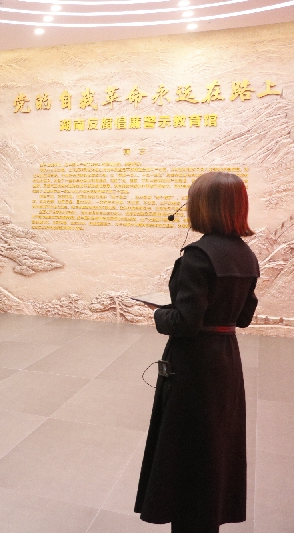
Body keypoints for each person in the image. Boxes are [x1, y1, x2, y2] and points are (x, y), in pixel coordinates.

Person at [134, 172, 259, 533]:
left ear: (203, 207)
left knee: (186, 448)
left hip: (193, 366)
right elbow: (244, 318)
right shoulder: (246, 255)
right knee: (215, 444)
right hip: (226, 361)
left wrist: (158, 312)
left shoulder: (198, 256)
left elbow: (185, 322)